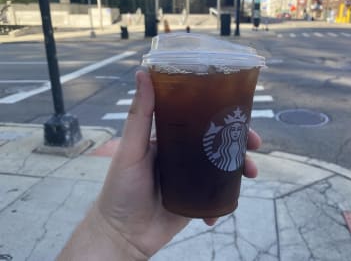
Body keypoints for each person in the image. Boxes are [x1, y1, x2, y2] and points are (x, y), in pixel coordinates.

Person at [57, 70, 262, 260]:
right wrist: (113, 229)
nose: (236, 133)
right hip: (161, 203)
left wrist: (113, 233)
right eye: (232, 131)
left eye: (238, 130)